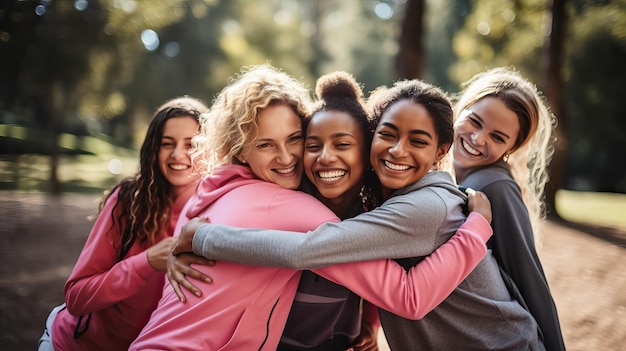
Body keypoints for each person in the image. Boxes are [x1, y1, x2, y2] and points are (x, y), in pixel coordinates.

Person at [131, 65, 493, 351]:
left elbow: (378, 263)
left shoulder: (374, 209)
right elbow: (406, 295)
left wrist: (369, 320)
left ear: (365, 151)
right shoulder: (297, 205)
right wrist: (192, 238)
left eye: (294, 140)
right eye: (313, 143)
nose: (297, 157)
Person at [37, 96, 208, 351]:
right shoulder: (129, 201)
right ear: (153, 149)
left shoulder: (217, 211)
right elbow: (76, 296)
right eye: (167, 143)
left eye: (191, 144)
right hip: (73, 345)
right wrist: (146, 262)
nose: (177, 154)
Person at [451, 67, 565, 350]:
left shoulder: (494, 186)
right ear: (461, 110)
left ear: (510, 149)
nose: (478, 139)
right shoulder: (448, 177)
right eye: (474, 121)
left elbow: (529, 279)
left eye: (498, 137)